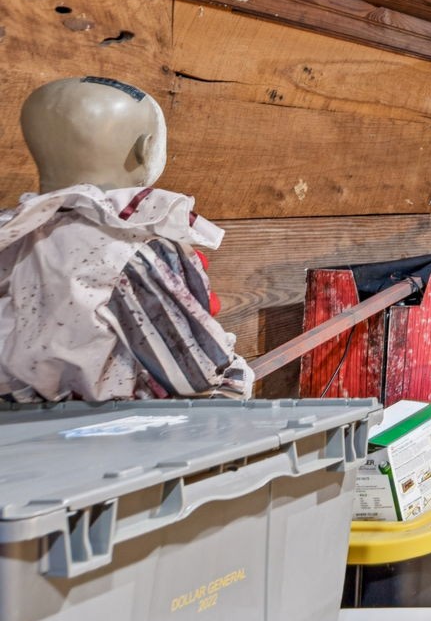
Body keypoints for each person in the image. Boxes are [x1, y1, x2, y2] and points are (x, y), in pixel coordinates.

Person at [0, 76, 252, 401]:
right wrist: (237, 377)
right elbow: (200, 376)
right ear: (144, 149)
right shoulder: (131, 249)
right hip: (112, 437)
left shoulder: (14, 236)